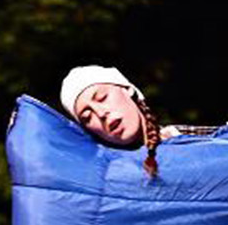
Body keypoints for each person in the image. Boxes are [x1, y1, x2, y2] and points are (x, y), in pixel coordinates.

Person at [59, 65, 216, 178]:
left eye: (102, 98)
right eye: (87, 117)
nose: (101, 114)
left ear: (128, 90)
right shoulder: (104, 178)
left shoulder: (188, 138)